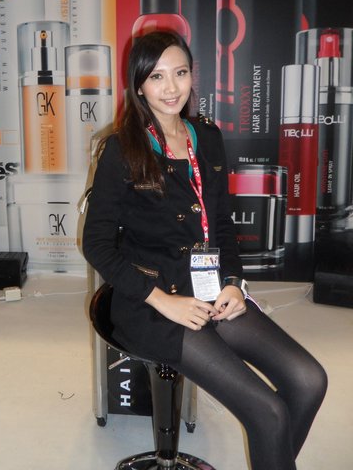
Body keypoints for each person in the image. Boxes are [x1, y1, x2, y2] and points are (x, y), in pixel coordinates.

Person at [82, 31, 327, 470]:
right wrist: (163, 301)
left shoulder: (207, 137)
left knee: (309, 380)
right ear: (139, 85)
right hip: (153, 303)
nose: (171, 87)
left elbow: (222, 225)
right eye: (157, 77)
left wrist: (233, 282)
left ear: (192, 76)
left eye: (180, 73)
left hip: (210, 288)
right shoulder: (121, 150)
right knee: (268, 412)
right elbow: (96, 245)